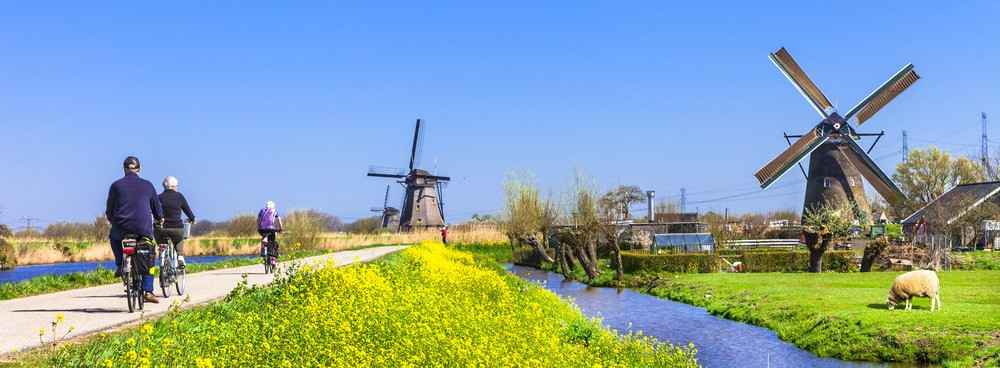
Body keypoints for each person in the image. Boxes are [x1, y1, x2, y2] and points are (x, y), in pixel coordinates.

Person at [106, 156, 164, 304]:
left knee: (114, 237)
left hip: (122, 227)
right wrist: (159, 219)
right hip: (142, 227)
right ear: (139, 169)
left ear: (124, 169)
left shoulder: (115, 186)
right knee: (149, 252)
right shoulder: (148, 185)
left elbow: (109, 211)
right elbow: (157, 209)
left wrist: (114, 221)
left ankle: (120, 264)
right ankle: (148, 291)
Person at [155, 176, 196, 268]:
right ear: (173, 187)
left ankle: (162, 250)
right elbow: (187, 210)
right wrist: (192, 219)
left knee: (159, 237)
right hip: (177, 228)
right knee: (179, 239)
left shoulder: (158, 198)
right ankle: (180, 256)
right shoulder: (179, 196)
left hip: (162, 228)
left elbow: (152, 209)